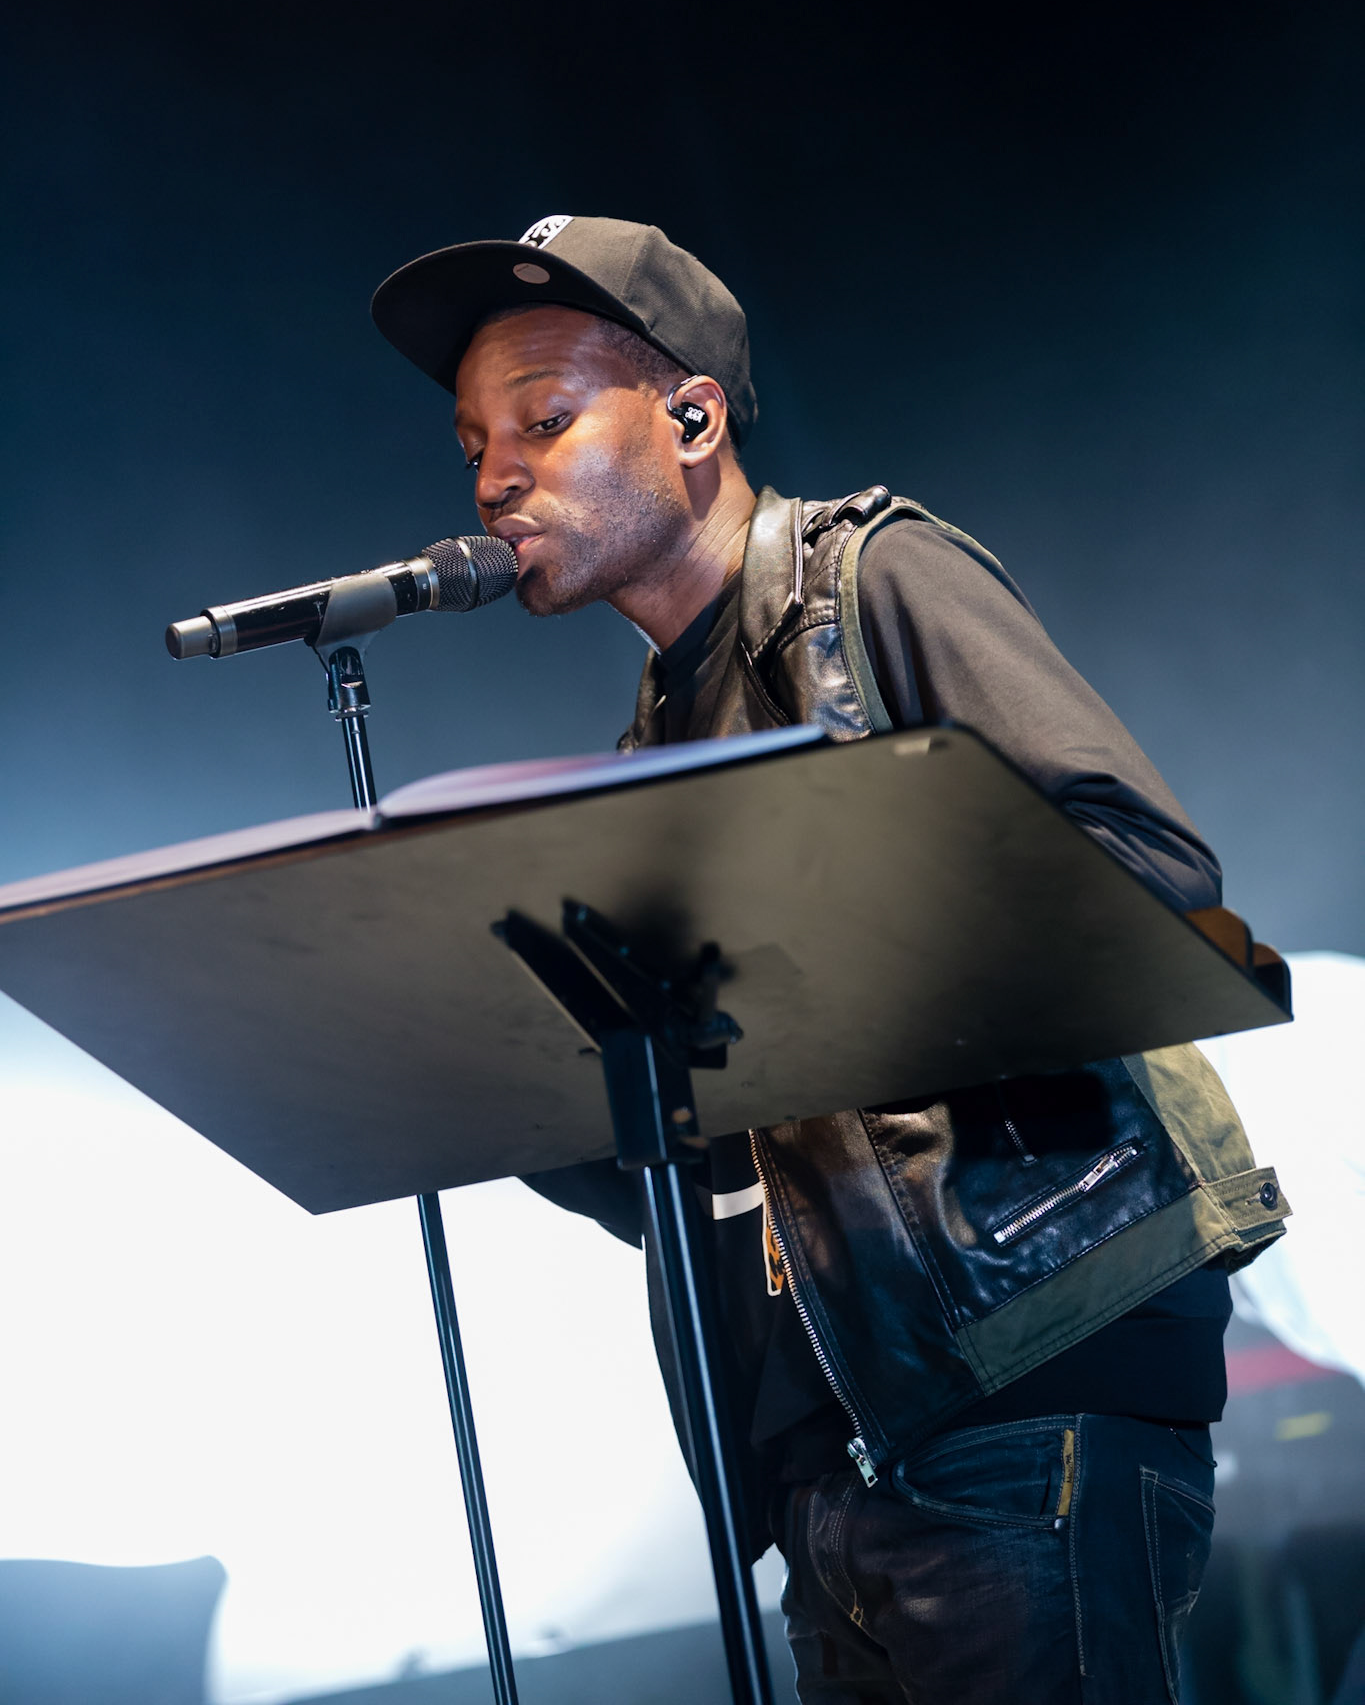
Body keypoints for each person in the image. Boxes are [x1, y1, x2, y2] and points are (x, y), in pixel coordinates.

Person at [372, 214, 1288, 1704]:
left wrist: (792, 959)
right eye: (474, 441)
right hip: (828, 1441)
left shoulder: (870, 578)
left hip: (1022, 1367)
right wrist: (525, 1092)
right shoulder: (648, 757)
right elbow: (735, 1150)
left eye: (541, 421)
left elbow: (1143, 868)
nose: (491, 477)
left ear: (690, 417)